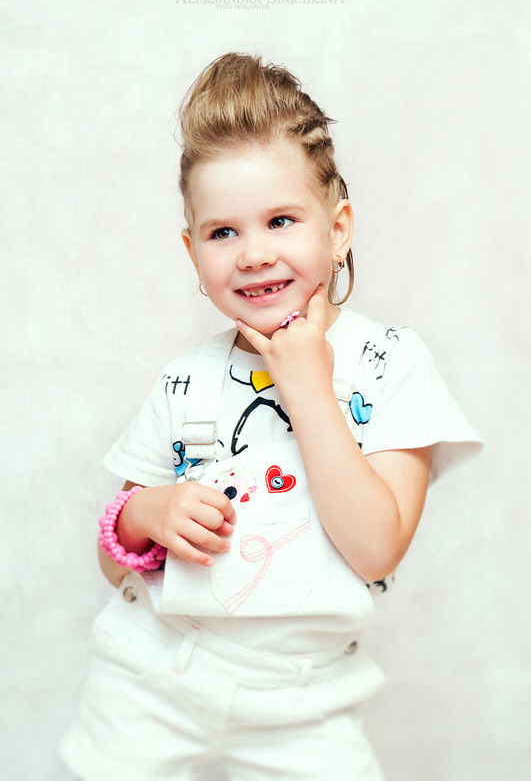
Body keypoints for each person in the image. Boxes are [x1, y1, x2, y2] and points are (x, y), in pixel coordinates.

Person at [60, 53, 482, 781]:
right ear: (192, 251)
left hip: (305, 697)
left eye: (280, 221)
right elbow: (112, 556)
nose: (254, 254)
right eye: (222, 233)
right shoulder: (185, 380)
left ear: (337, 228)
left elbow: (375, 549)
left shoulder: (390, 365)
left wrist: (307, 385)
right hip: (153, 675)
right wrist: (146, 515)